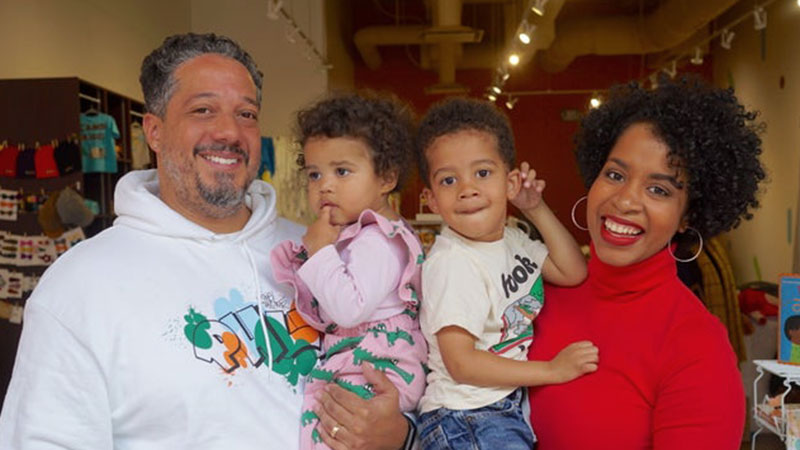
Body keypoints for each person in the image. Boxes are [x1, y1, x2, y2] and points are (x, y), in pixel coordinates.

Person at [0, 33, 410, 450]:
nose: (230, 131)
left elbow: (410, 366)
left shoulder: (323, 252)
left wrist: (403, 434)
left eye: (246, 114)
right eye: (203, 109)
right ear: (154, 132)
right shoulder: (79, 286)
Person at [528, 75, 765, 449]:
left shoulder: (696, 345)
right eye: (615, 174)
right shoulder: (537, 294)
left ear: (687, 216)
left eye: (659, 189)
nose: (624, 201)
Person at [413, 98, 598, 449]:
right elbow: (461, 363)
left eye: (482, 173)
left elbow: (573, 271)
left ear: (510, 182)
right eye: (449, 180)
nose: (467, 189)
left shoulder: (513, 238)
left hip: (496, 408)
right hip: (464, 415)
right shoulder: (453, 262)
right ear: (431, 199)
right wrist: (551, 371)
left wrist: (535, 207)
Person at [270, 93, 428, 449]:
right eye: (314, 173)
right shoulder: (357, 236)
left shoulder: (380, 240)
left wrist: (321, 251)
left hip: (378, 369)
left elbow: (347, 308)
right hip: (362, 364)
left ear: (386, 177)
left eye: (342, 171)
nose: (324, 184)